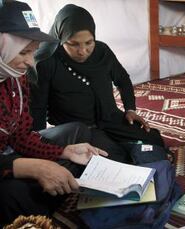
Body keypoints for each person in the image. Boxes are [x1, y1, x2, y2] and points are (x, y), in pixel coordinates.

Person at [0, 1, 108, 224]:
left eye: (33, 52)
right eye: (23, 52)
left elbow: (21, 136)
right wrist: (34, 167)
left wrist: (63, 151)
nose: (31, 62)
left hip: (10, 155)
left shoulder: (16, 79)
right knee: (14, 197)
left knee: (77, 132)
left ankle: (47, 191)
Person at [30, 4, 164, 164]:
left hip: (109, 117)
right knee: (113, 157)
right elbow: (38, 107)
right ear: (61, 38)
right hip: (81, 129)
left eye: (89, 43)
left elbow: (122, 79)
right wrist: (37, 145)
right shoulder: (47, 63)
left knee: (154, 139)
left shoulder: (102, 52)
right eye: (73, 44)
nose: (83, 51)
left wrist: (130, 109)